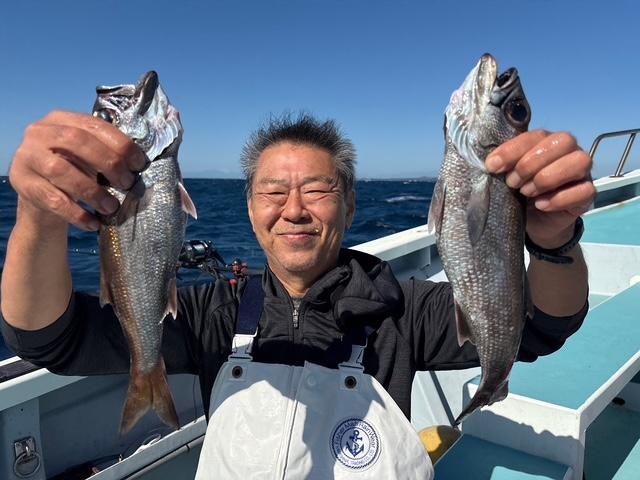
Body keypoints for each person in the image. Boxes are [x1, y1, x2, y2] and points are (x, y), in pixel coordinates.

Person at [1, 112, 594, 478]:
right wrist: (39, 211)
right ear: (249, 209)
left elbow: (543, 324)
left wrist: (554, 241)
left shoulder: (403, 308)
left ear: (351, 206)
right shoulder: (214, 312)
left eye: (317, 189)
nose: (294, 210)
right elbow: (51, 339)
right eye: (272, 192)